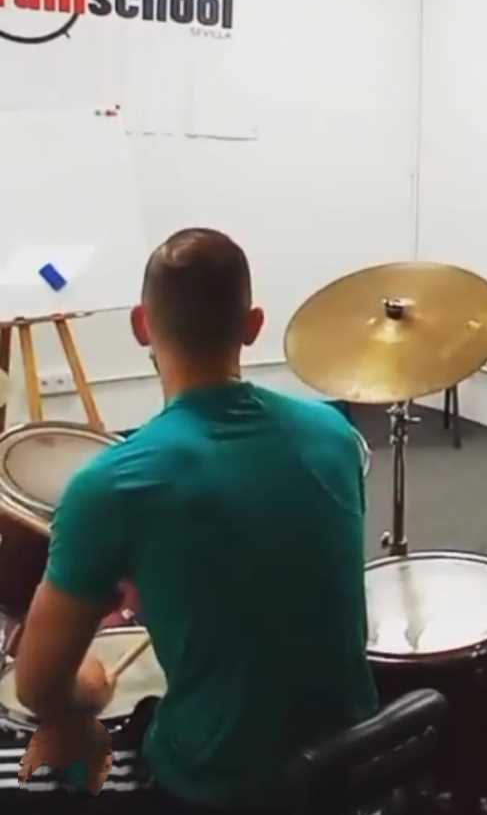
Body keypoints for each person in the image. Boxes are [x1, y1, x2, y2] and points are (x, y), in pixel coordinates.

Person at [15, 228, 378, 812]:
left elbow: (37, 688)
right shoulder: (335, 435)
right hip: (350, 756)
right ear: (253, 325)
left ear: (141, 325)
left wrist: (90, 690)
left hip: (221, 787)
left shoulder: (112, 485)